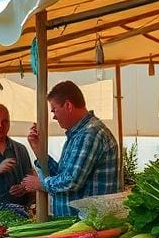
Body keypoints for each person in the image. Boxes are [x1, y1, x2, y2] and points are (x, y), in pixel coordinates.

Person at [21, 80, 120, 216]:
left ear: (68, 105)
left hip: (88, 225)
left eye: (54, 110)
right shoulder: (78, 135)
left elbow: (71, 181)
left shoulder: (89, 134)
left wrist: (42, 184)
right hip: (79, 224)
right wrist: (39, 150)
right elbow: (62, 174)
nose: (54, 116)